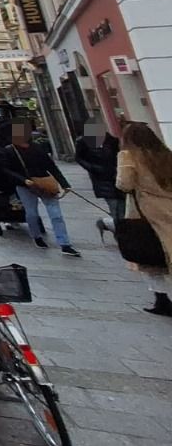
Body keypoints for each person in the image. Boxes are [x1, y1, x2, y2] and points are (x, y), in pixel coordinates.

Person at [115, 122, 172, 316]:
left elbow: (124, 183)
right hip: (168, 206)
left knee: (149, 254)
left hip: (146, 210)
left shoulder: (128, 156)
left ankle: (162, 299)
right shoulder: (165, 154)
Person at [6, 121, 79, 256]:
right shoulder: (10, 150)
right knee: (32, 213)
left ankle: (65, 243)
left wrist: (64, 183)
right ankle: (36, 236)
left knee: (56, 214)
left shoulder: (37, 148)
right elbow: (7, 170)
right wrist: (23, 180)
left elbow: (51, 166)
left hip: (44, 183)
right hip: (25, 186)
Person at [74, 122, 124, 221]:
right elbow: (78, 158)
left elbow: (119, 154)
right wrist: (92, 168)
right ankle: (119, 226)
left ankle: (122, 225)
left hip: (116, 176)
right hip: (101, 179)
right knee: (114, 207)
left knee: (122, 207)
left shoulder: (111, 140)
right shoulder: (83, 142)